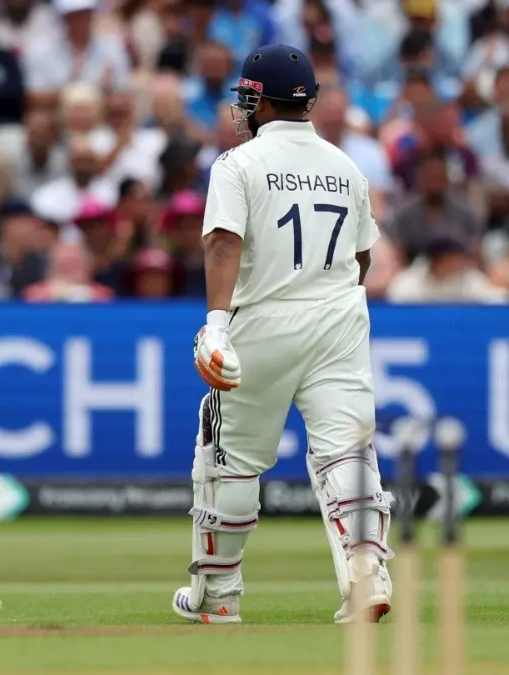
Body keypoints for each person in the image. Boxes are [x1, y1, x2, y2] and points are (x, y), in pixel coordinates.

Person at [173, 45, 394, 627]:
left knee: (231, 458)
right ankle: (367, 579)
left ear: (262, 100)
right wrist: (330, 300)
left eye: (247, 98)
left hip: (263, 320)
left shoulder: (236, 163)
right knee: (347, 453)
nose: (242, 109)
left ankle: (218, 594)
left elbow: (222, 242)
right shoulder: (347, 165)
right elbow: (363, 256)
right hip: (340, 319)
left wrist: (216, 324)